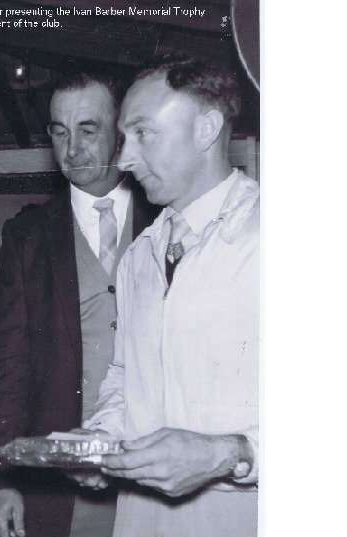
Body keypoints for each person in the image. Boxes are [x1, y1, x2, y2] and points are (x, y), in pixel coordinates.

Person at [82, 54, 259, 537]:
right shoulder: (140, 256)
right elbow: (125, 376)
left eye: (143, 133)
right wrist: (100, 439)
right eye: (124, 137)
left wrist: (232, 454)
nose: (123, 159)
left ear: (206, 129)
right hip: (143, 521)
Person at [0, 73, 160, 537]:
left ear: (120, 130)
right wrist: (2, 480)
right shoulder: (26, 236)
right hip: (62, 485)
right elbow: (7, 368)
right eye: (59, 133)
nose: (72, 149)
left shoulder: (167, 220)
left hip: (158, 476)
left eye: (88, 129)